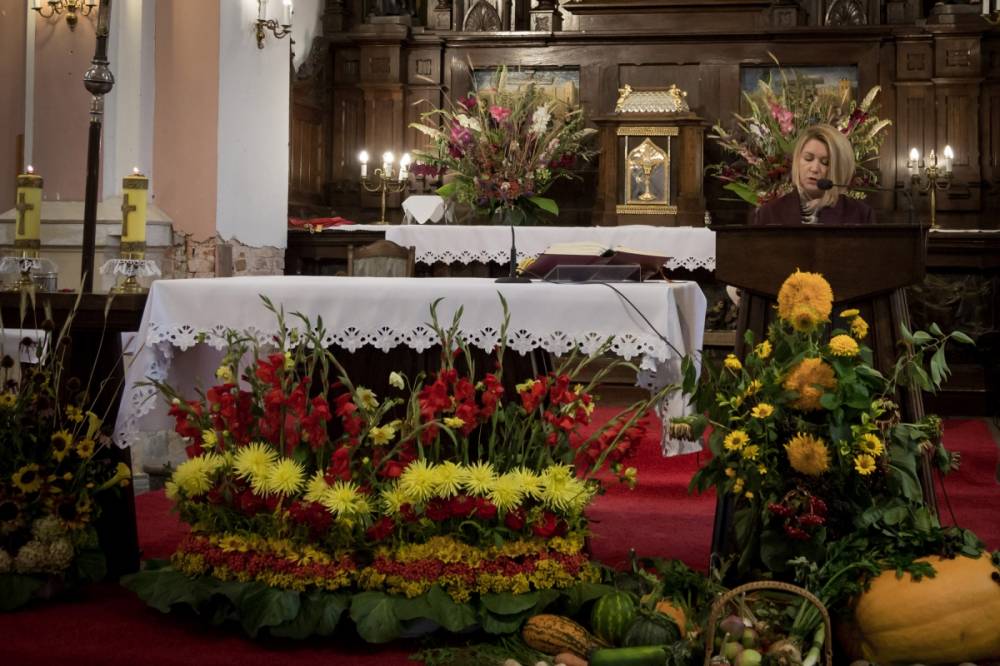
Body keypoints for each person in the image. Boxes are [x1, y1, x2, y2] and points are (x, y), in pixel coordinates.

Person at [753, 123, 876, 225]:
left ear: (839, 169)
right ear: (797, 161)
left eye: (825, 162)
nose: (814, 168)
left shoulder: (860, 215)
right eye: (808, 158)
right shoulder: (769, 213)